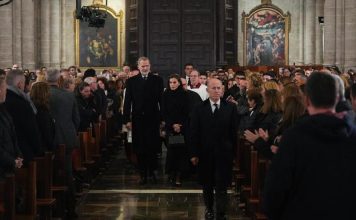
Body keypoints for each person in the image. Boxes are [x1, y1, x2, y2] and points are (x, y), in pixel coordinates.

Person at [263, 72, 356, 220]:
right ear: (338, 98)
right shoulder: (352, 134)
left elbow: (275, 191)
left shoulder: (294, 137)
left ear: (306, 100)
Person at [190, 78, 238, 220]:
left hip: (224, 154)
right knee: (207, 184)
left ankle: (221, 212)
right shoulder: (199, 108)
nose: (217, 91)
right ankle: (209, 209)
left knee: (222, 185)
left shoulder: (230, 108)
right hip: (205, 154)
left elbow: (233, 133)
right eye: (214, 88)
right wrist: (193, 153)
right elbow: (194, 132)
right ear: (208, 90)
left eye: (219, 88)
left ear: (222, 90)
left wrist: (234, 154)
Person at [123, 57, 164, 185]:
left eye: (147, 66)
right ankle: (142, 174)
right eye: (142, 66)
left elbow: (161, 101)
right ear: (138, 67)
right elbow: (127, 102)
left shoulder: (157, 80)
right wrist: (126, 120)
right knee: (140, 147)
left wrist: (162, 118)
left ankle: (152, 172)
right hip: (138, 118)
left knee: (152, 146)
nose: (145, 68)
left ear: (150, 66)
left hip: (153, 118)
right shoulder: (131, 81)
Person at [5, 69, 43, 164]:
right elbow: (31, 130)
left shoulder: (4, 100)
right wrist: (38, 150)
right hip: (22, 152)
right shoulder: (22, 104)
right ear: (19, 84)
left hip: (7, 152)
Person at [162, 74, 189, 186]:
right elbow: (164, 111)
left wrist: (179, 125)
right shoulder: (165, 94)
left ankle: (178, 174)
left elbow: (187, 112)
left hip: (182, 127)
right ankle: (172, 173)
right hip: (170, 127)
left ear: (179, 83)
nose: (172, 84)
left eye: (174, 82)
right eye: (170, 82)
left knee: (180, 151)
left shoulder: (184, 95)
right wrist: (172, 124)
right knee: (171, 150)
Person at [0, 75, 23, 179]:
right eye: (5, 89)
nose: (6, 92)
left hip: (9, 165)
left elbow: (12, 134)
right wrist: (12, 160)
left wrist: (18, 155)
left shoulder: (3, 108)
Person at [30, 82, 56, 152]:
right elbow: (46, 132)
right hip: (43, 149)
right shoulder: (42, 110)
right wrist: (52, 148)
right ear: (45, 93)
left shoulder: (30, 106)